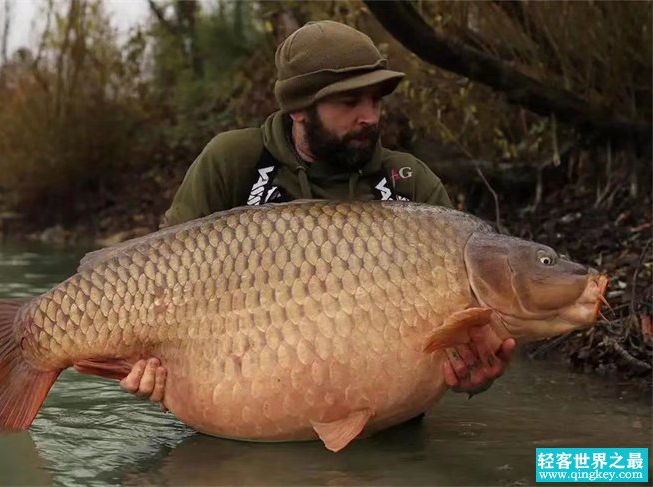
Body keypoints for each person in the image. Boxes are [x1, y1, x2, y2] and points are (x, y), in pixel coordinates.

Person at [120, 21, 516, 409]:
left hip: (384, 433)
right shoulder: (234, 162)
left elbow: (462, 343)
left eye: (376, 100)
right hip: (240, 422)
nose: (370, 117)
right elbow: (160, 283)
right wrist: (147, 365)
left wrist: (474, 379)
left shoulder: (409, 185)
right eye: (349, 102)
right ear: (297, 109)